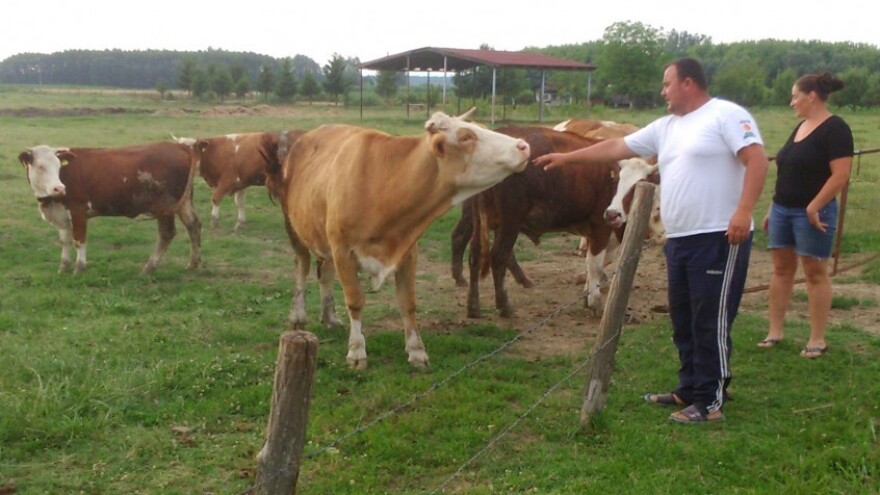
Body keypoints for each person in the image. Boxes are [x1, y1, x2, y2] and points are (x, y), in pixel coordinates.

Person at [533, 57, 768, 424]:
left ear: (688, 83)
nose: (663, 91)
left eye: (666, 84)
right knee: (683, 316)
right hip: (680, 238)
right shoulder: (666, 127)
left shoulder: (726, 115)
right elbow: (614, 148)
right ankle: (688, 388)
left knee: (711, 319)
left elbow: (757, 160)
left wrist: (743, 211)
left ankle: (710, 401)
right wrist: (566, 158)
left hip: (719, 234)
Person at [757, 73, 853, 358]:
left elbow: (841, 175)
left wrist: (813, 206)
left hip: (813, 213)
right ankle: (775, 332)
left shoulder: (836, 128)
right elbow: (788, 171)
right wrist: (772, 209)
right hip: (782, 210)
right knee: (781, 270)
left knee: (814, 273)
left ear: (812, 96)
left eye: (795, 96)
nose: (791, 102)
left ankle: (817, 339)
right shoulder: (801, 127)